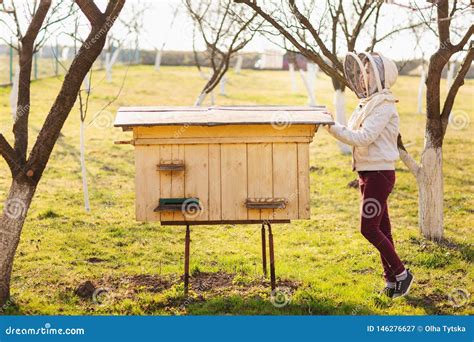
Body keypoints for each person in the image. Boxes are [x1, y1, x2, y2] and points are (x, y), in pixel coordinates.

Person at [325, 52, 414, 298]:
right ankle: (391, 281)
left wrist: (331, 127)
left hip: (379, 175)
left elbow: (363, 137)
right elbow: (353, 130)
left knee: (368, 228)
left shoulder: (384, 105)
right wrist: (331, 123)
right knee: (382, 230)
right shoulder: (368, 102)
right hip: (368, 173)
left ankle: (402, 274)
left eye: (368, 72)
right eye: (363, 72)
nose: (363, 77)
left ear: (380, 76)